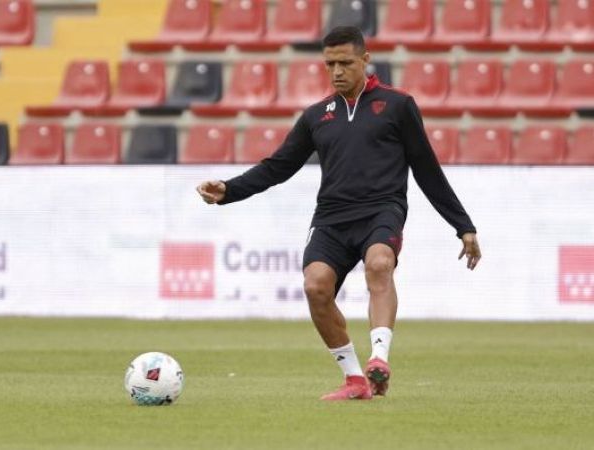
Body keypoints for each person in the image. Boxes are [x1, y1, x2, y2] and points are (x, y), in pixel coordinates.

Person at [197, 26, 481, 401]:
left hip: (381, 209)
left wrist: (463, 225)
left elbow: (427, 169)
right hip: (331, 217)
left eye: (345, 62)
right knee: (315, 286)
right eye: (330, 64)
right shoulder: (317, 116)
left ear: (365, 60)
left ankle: (379, 359)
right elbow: (278, 167)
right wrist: (229, 190)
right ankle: (355, 380)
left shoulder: (398, 106)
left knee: (379, 263)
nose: (337, 71)